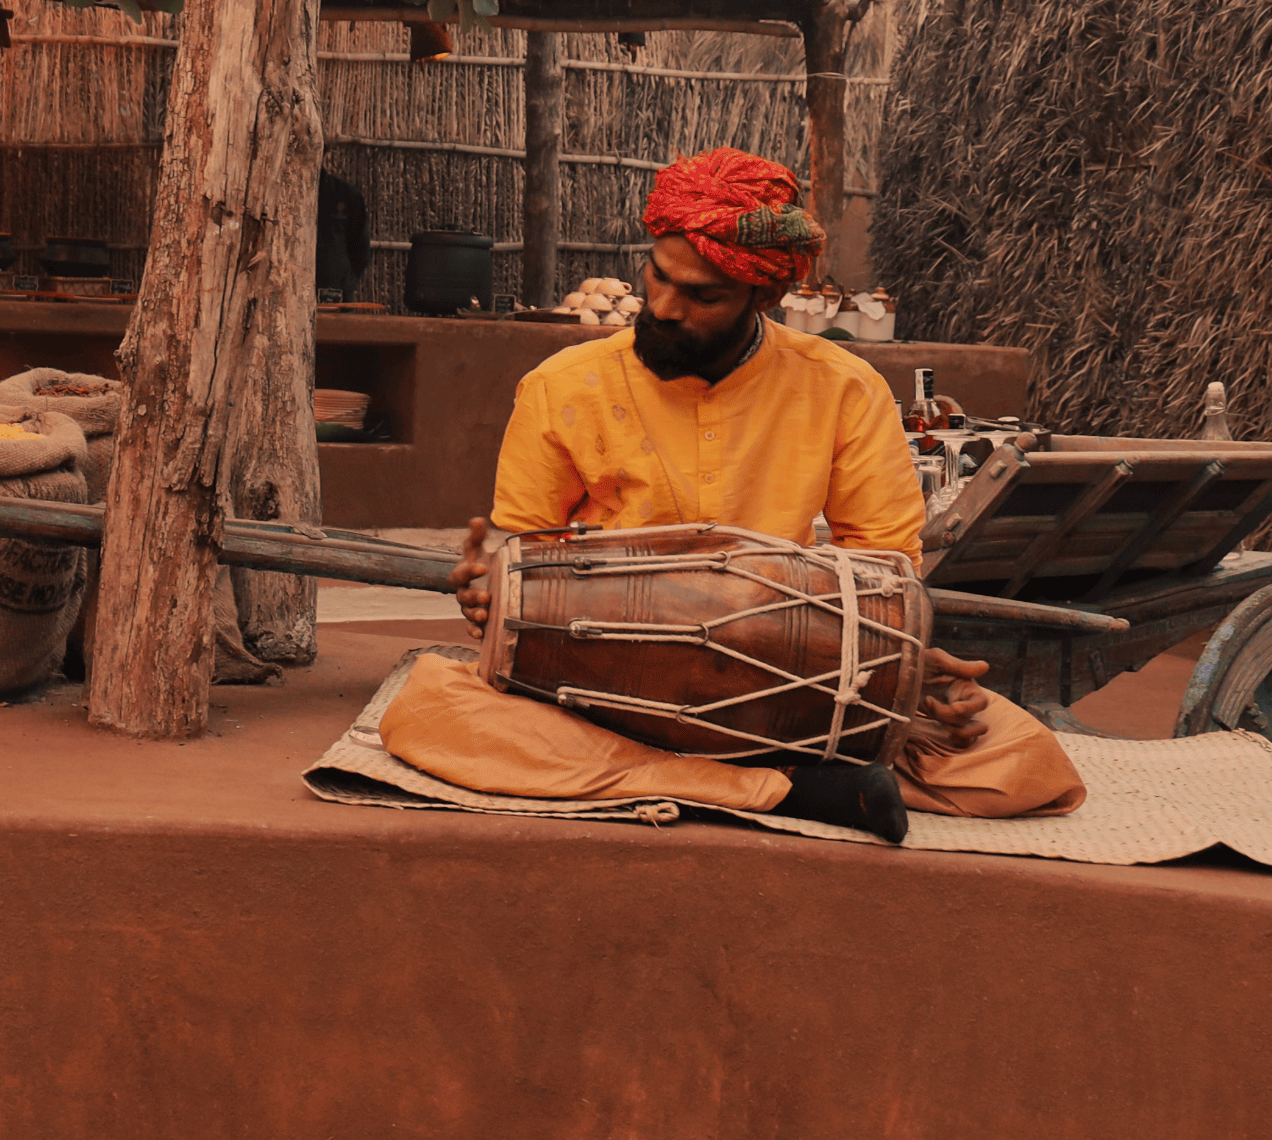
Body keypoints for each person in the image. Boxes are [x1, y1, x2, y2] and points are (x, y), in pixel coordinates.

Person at [410, 146, 1085, 838]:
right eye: (659, 277)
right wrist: (491, 587)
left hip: (786, 689)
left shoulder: (845, 390)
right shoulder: (560, 386)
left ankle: (691, 777)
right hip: (601, 688)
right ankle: (782, 791)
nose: (665, 307)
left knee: (1024, 758)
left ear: (764, 295)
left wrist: (903, 675)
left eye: (703, 295)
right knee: (430, 706)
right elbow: (524, 558)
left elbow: (885, 568)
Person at [315, 156, 371, 304]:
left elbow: (361, 250)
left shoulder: (346, 195)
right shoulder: (280, 194)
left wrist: (345, 281)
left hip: (333, 295)